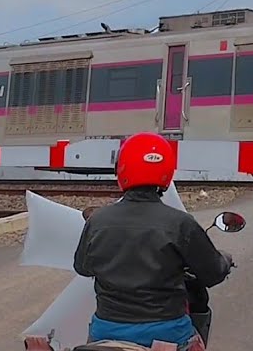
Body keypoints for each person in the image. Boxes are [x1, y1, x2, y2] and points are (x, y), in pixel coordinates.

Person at [73, 133, 233, 350]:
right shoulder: (181, 223)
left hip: (107, 329)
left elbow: (82, 267)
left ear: (120, 169)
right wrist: (224, 259)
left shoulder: (98, 221)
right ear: (167, 171)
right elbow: (213, 274)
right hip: (167, 332)